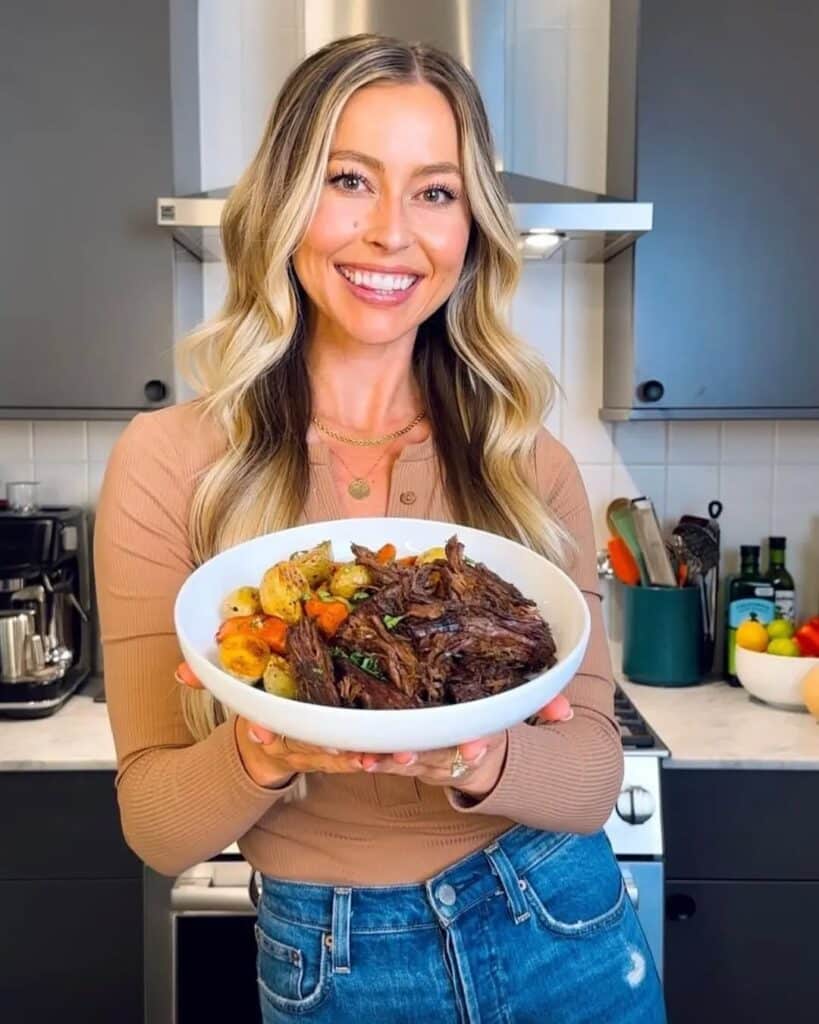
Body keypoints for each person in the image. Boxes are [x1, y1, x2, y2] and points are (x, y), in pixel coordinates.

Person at [94, 33, 666, 1023]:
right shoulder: (170, 459)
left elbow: (590, 780)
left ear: (470, 229)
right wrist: (265, 751)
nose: (392, 233)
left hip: (562, 925)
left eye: (436, 192)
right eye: (349, 179)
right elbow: (156, 826)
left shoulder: (527, 462)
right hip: (338, 961)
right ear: (286, 200)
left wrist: (478, 758)